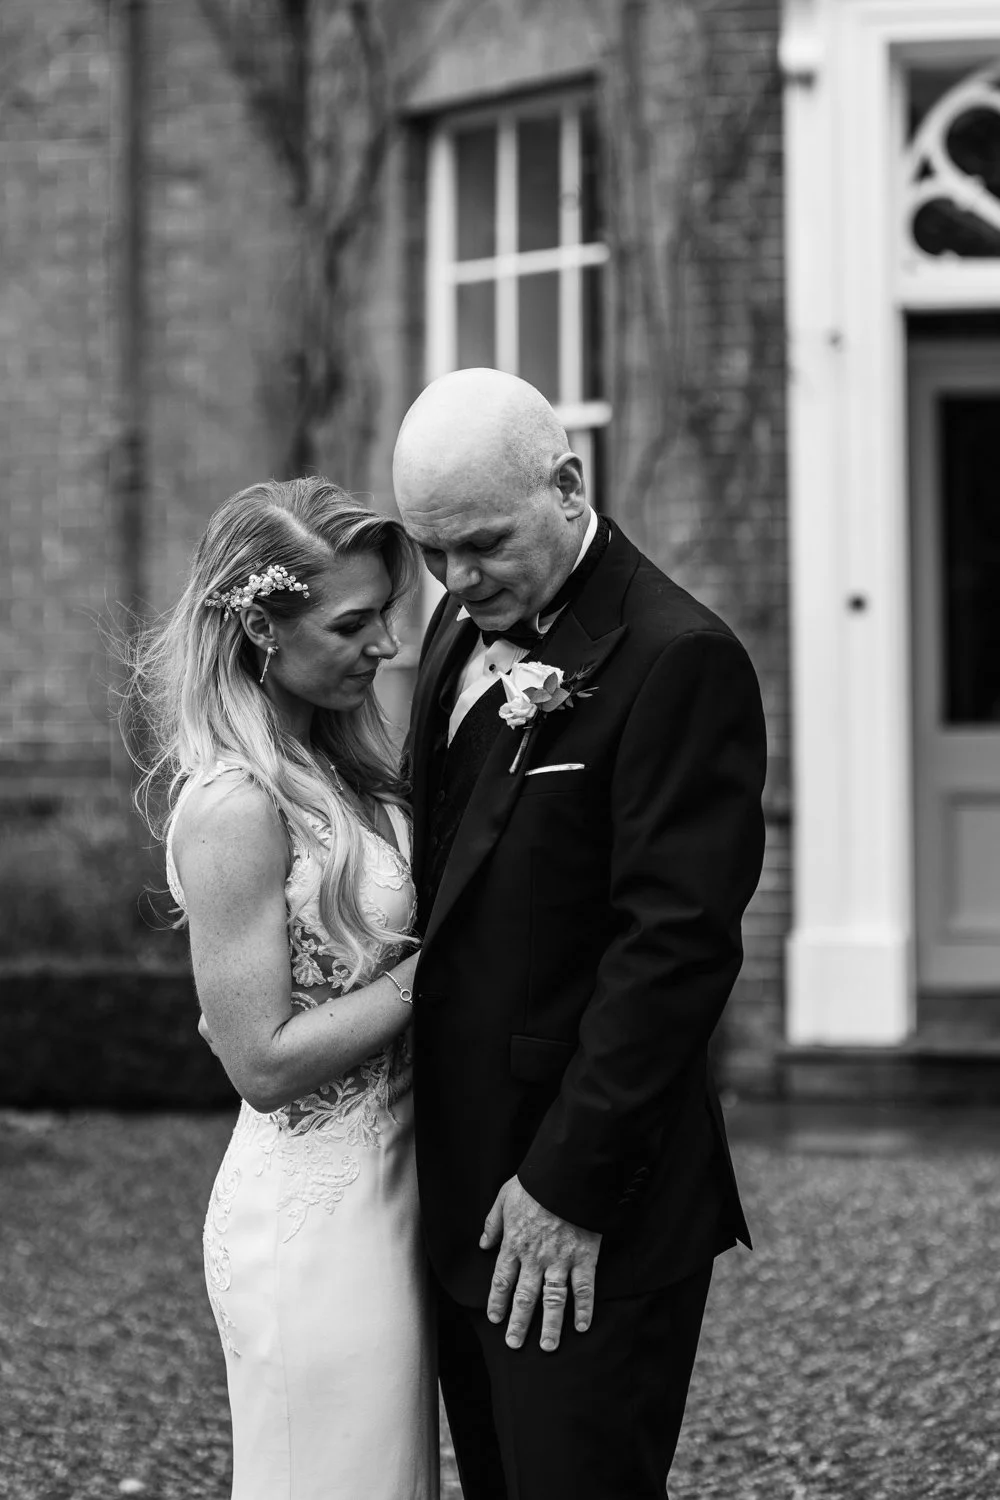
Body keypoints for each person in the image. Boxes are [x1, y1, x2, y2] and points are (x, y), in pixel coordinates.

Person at [392, 367, 767, 1499]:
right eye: (429, 551)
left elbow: (674, 950)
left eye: (482, 543)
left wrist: (564, 1189)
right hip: (456, 1194)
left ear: (568, 485)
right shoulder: (464, 628)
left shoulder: (678, 659)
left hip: (585, 1206)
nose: (456, 581)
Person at [122, 478, 439, 1500]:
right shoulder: (231, 804)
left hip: (403, 1190)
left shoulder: (346, 769)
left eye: (384, 618)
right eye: (353, 624)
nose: (383, 647)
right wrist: (441, 973)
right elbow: (259, 1062)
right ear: (261, 626)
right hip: (315, 1224)